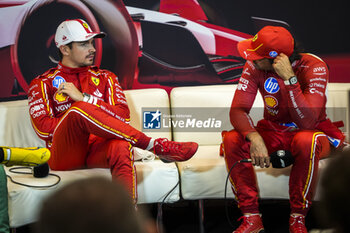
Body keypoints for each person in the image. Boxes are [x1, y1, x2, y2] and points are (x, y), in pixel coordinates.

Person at [28, 19, 198, 202]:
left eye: (92, 43)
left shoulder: (106, 77)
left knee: (121, 145)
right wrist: (80, 116)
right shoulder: (42, 83)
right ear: (64, 49)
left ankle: (127, 218)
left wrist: (86, 99)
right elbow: (44, 129)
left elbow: (123, 117)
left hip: (98, 149)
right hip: (65, 155)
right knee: (78, 111)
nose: (92, 48)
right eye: (84, 44)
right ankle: (154, 145)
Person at [222, 26, 345, 233]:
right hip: (273, 130)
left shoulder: (314, 67)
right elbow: (238, 110)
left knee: (306, 140)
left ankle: (298, 220)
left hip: (312, 132)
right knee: (233, 139)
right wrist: (254, 137)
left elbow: (307, 122)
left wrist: (290, 79)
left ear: (277, 59)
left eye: (257, 56)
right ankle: (252, 219)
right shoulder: (254, 66)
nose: (251, 59)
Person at [35, 176, 157, 233]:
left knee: (121, 144)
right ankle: (154, 144)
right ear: (151, 229)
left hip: (95, 146)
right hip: (66, 148)